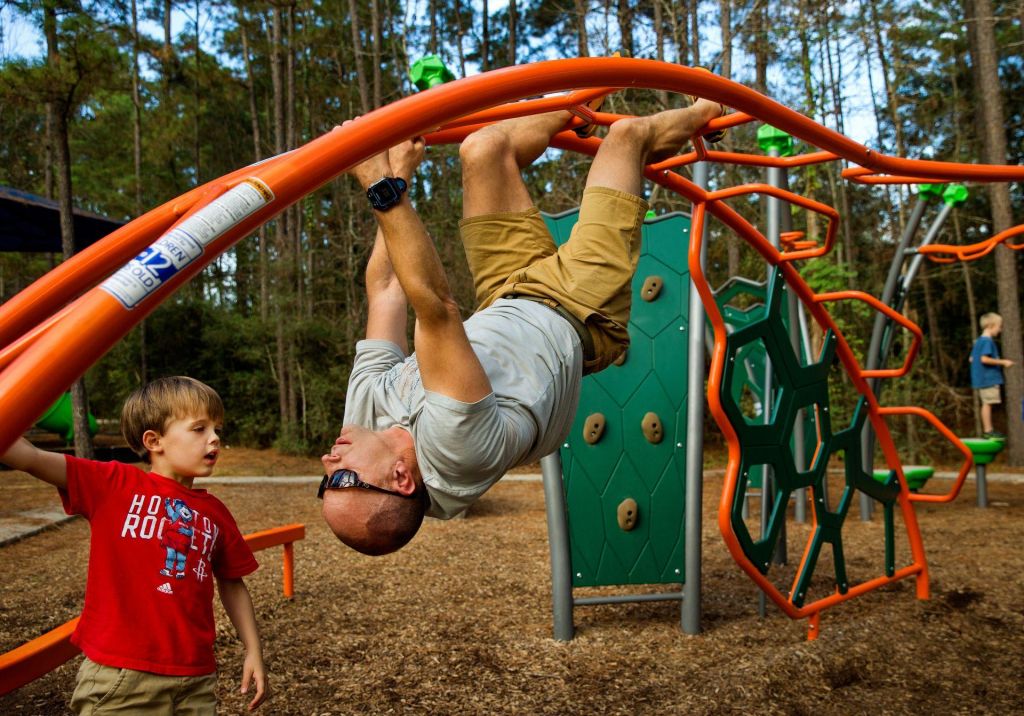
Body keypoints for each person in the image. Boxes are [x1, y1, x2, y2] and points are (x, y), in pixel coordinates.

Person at [321, 98, 725, 556]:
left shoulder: (361, 424)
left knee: (484, 148)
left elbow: (388, 288)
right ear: (400, 477)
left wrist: (398, 169)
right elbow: (436, 309)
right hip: (579, 309)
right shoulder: (457, 454)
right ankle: (709, 111)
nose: (329, 459)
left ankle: (580, 102)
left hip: (506, 295)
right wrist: (380, 184)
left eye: (325, 481)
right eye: (344, 477)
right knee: (627, 137)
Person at [1, 376, 268, 713]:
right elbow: (27, 456)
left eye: (217, 428)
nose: (215, 438)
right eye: (199, 429)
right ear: (154, 440)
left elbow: (232, 582)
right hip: (122, 679)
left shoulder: (215, 512)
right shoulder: (112, 483)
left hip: (195, 679)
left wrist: (253, 650)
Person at [969, 312, 1015, 439]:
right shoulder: (987, 342)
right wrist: (1003, 362)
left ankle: (988, 430)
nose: (1000, 330)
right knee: (988, 403)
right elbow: (984, 359)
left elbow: (972, 359)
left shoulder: (978, 341)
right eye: (999, 327)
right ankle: (988, 430)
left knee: (987, 403)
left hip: (981, 378)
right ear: (991, 326)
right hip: (988, 378)